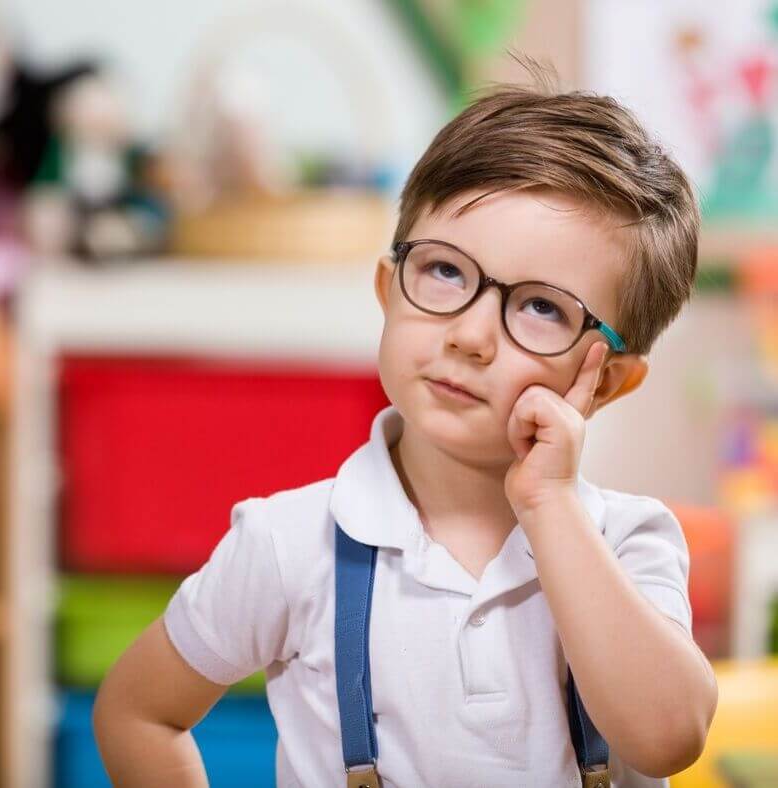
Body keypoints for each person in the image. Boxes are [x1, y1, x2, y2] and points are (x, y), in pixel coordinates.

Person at [92, 56, 718, 787]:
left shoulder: (626, 543)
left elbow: (668, 736)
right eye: (447, 272)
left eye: (542, 308)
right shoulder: (289, 547)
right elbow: (137, 712)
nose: (471, 335)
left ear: (606, 379)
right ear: (390, 291)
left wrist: (549, 503)